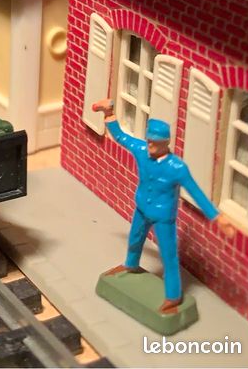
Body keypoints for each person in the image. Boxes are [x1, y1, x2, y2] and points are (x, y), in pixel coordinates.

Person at [91, 98, 236, 314]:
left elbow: (196, 192)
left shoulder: (177, 167)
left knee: (168, 255)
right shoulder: (141, 150)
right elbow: (121, 137)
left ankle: (173, 295)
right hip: (142, 208)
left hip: (163, 217)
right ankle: (131, 264)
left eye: (154, 143)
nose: (149, 145)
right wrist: (108, 113)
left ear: (165, 143)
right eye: (149, 140)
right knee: (135, 239)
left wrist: (217, 217)